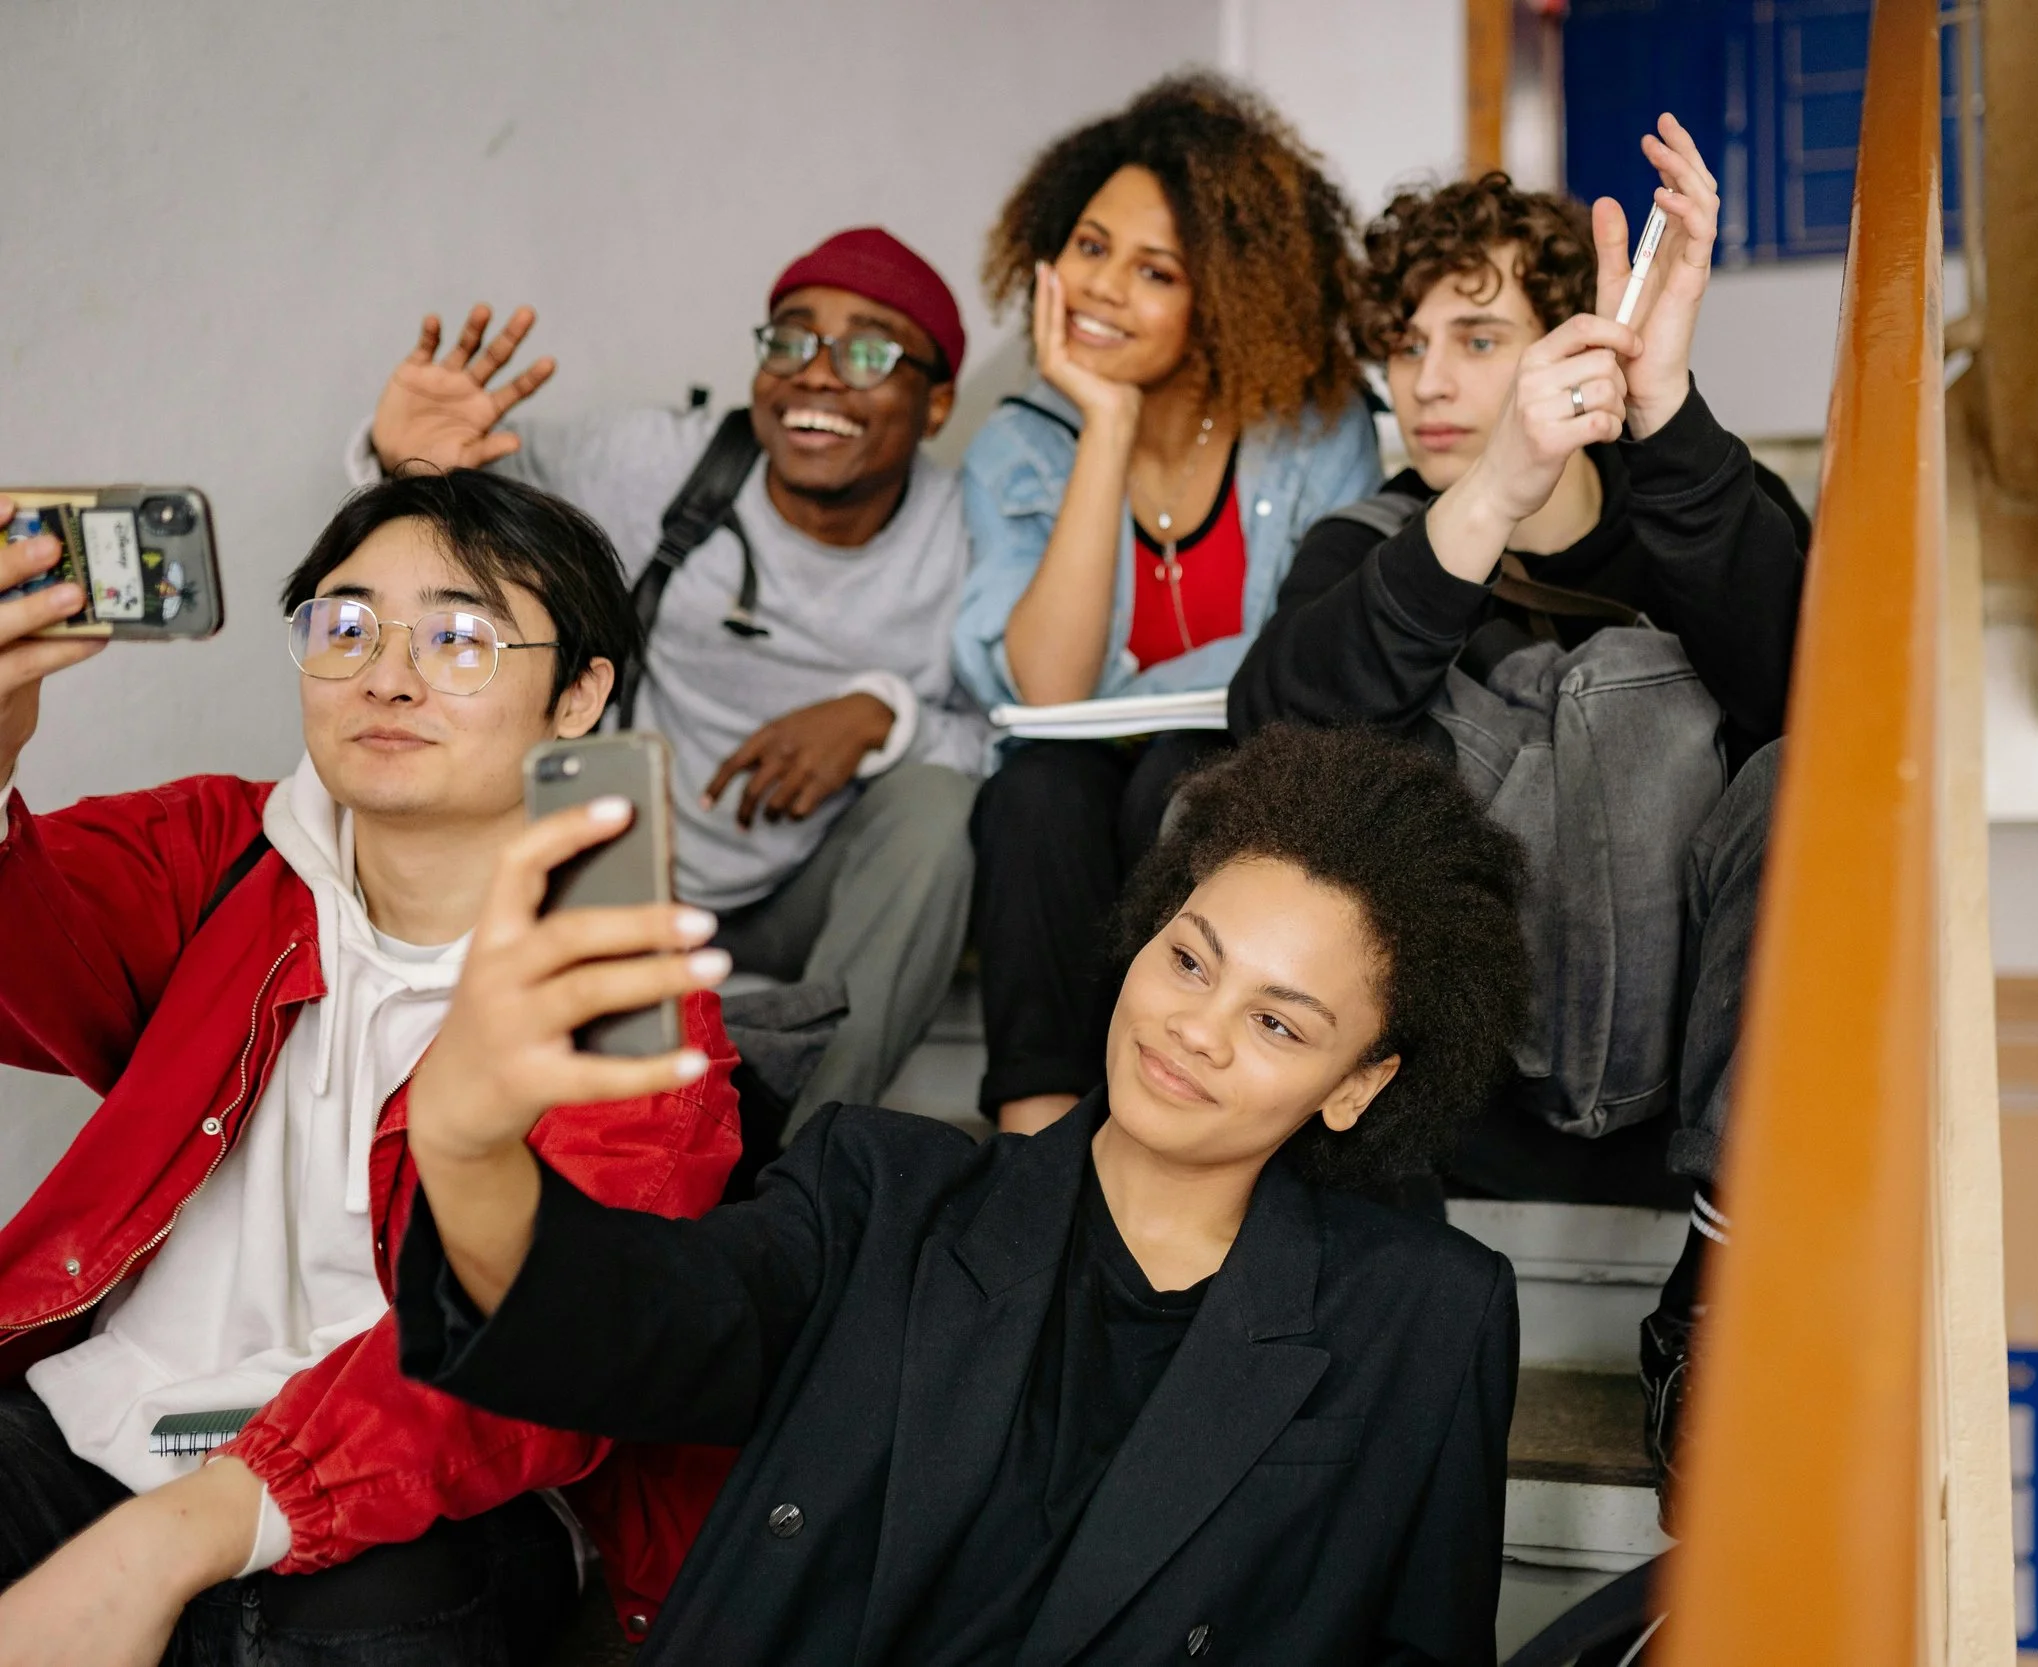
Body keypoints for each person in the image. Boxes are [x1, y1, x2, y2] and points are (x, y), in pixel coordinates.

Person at [393, 723, 1528, 1665]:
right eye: (1190, 959)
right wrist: (465, 1139)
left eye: (1278, 1022)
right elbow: (627, 1321)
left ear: (1359, 1083)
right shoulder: (881, 1189)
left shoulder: (1424, 1313)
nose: (1195, 1027)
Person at [0, 473, 741, 1663]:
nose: (387, 676)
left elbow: (547, 1363)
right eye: (345, 627)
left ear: (579, 695)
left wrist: (173, 1537)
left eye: (460, 637)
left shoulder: (616, 987)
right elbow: (26, 943)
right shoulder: (219, 851)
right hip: (118, 1410)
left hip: (434, 1493)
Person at [1224, 121, 1807, 1492]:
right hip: (1475, 1054)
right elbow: (1268, 739)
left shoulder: (1700, 498)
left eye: (1477, 337)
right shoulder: (1369, 542)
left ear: (1572, 345)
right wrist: (1486, 493)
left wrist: (1663, 409)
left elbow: (1806, 694)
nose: (1430, 380)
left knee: (1769, 751)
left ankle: (1717, 1285)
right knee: (1386, 732)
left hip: (1693, 1046)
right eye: (1408, 345)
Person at [356, 226, 985, 1128]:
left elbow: (1012, 736)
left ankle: (812, 1171)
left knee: (940, 808)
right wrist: (405, 464)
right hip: (627, 864)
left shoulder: (967, 538)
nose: (817, 372)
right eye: (790, 338)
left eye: (870, 350)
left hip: (811, 884)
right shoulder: (664, 463)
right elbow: (464, 481)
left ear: (935, 403)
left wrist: (879, 715)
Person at [953, 73, 1383, 1136]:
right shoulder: (1017, 446)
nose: (1100, 289)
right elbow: (1048, 694)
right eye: (1090, 247)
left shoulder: (1313, 428)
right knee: (1036, 791)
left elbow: (1312, 657)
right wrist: (1103, 421)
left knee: (1175, 776)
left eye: (1155, 271)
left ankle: (1169, 1122)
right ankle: (1037, 1142)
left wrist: (1142, 695)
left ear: (1228, 293)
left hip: (1243, 770)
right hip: (1074, 794)